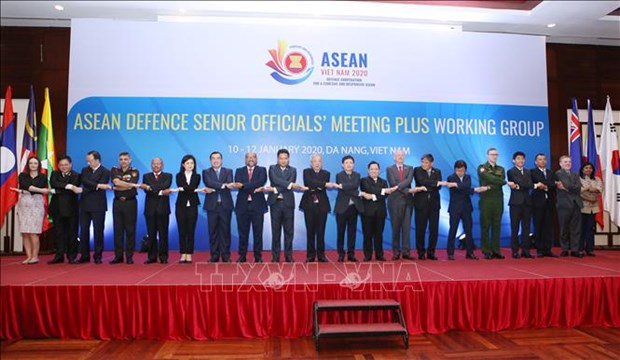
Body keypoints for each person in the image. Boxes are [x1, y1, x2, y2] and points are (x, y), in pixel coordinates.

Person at [10, 157, 49, 264]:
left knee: (33, 232)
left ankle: (35, 256)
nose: (33, 165)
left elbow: (30, 188)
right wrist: (41, 190)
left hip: (36, 204)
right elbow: (26, 186)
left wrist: (29, 189)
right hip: (24, 204)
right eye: (31, 163)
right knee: (25, 232)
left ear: (38, 165)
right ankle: (28, 256)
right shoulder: (22, 175)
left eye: (35, 163)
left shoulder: (43, 176)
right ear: (28, 165)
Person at [445, 160, 485, 260]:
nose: (460, 172)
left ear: (465, 170)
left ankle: (470, 252)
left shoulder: (468, 177)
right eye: (458, 170)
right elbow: (460, 190)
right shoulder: (451, 178)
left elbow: (466, 187)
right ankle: (450, 253)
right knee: (453, 230)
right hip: (455, 208)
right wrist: (473, 190)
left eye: (462, 170)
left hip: (466, 208)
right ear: (455, 170)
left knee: (468, 230)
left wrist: (456, 185)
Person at [267, 149, 302, 263]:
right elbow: (275, 179)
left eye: (285, 158)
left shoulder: (293, 170)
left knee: (289, 232)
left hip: (288, 204)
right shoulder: (272, 168)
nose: (283, 160)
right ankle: (275, 257)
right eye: (281, 158)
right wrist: (290, 184)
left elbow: (285, 183)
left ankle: (289, 256)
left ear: (288, 159)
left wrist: (275, 188)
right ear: (277, 159)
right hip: (275, 203)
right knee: (275, 231)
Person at [232, 152, 268, 263]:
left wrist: (244, 186)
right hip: (242, 206)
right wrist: (250, 186)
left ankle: (258, 256)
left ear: (256, 159)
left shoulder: (262, 170)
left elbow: (260, 182)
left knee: (258, 232)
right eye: (248, 157)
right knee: (242, 232)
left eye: (253, 157)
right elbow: (241, 184)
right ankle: (242, 255)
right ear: (245, 159)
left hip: (257, 206)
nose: (251, 159)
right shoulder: (239, 171)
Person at [78, 150, 111, 264]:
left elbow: (101, 184)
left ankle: (98, 255)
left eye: (90, 161)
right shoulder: (84, 170)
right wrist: (97, 185)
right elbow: (84, 181)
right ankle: (84, 255)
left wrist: (96, 186)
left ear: (97, 160)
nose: (88, 163)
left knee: (98, 231)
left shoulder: (105, 171)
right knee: (83, 231)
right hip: (84, 204)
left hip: (98, 205)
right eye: (87, 161)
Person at [48, 155, 82, 264]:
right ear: (58, 166)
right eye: (61, 165)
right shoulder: (54, 173)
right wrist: (69, 186)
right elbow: (53, 183)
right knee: (58, 233)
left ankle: (72, 256)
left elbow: (73, 188)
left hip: (71, 208)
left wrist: (57, 191)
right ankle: (59, 256)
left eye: (66, 165)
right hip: (57, 208)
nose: (63, 167)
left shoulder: (76, 175)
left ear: (70, 164)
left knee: (72, 233)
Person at [202, 152, 234, 263]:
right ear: (210, 160)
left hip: (225, 205)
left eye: (218, 158)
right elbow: (208, 182)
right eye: (213, 158)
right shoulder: (206, 172)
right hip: (212, 206)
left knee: (225, 231)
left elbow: (230, 183)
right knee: (213, 232)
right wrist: (223, 185)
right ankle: (214, 256)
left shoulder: (228, 171)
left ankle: (226, 256)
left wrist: (217, 186)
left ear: (222, 160)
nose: (216, 160)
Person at [300, 153, 332, 263]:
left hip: (322, 205)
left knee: (321, 231)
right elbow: (308, 182)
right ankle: (310, 255)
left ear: (321, 163)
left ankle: (321, 255)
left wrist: (315, 186)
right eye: (315, 161)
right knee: (310, 232)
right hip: (308, 204)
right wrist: (323, 184)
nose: (317, 163)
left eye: (319, 161)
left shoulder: (326, 173)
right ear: (311, 163)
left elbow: (315, 186)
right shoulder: (306, 171)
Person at [360, 161, 395, 262]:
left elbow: (386, 195)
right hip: (367, 212)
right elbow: (368, 188)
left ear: (379, 170)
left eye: (376, 169)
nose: (374, 171)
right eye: (371, 169)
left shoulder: (384, 181)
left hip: (380, 212)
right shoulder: (363, 180)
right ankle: (367, 255)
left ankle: (379, 255)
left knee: (379, 235)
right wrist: (383, 191)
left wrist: (373, 196)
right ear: (368, 170)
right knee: (367, 235)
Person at [110, 152, 140, 264]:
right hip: (117, 203)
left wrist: (118, 186)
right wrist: (126, 185)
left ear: (130, 160)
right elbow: (116, 183)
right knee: (118, 230)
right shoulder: (114, 170)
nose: (123, 161)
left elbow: (123, 185)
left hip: (130, 203)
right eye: (121, 159)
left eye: (125, 159)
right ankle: (118, 256)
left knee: (130, 230)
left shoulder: (134, 171)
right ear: (119, 160)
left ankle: (129, 256)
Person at [141, 157, 172, 264]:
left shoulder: (168, 176)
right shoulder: (146, 176)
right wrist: (160, 191)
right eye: (154, 164)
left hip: (163, 210)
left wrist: (151, 187)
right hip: (150, 210)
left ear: (162, 165)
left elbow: (165, 185)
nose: (156, 166)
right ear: (151, 165)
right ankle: (151, 257)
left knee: (163, 234)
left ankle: (163, 257)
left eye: (158, 164)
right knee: (151, 234)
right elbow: (147, 191)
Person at [412, 153, 444, 260]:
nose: (423, 164)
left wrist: (431, 185)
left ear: (432, 163)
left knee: (433, 229)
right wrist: (435, 183)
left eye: (426, 162)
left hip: (434, 204)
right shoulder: (417, 170)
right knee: (420, 229)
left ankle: (431, 252)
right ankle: (421, 252)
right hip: (421, 204)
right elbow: (421, 181)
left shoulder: (437, 171)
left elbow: (438, 187)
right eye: (422, 162)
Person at [334, 155, 365, 262]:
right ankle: (341, 253)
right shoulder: (339, 175)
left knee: (352, 232)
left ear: (353, 164)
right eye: (346, 163)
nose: (349, 164)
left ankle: (351, 254)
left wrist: (343, 186)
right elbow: (348, 188)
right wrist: (357, 192)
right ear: (342, 165)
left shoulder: (357, 175)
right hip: (342, 207)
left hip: (354, 207)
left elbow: (354, 185)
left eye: (351, 162)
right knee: (340, 231)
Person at [477, 147, 506, 260]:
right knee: (485, 225)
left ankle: (496, 250)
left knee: (496, 225)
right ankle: (486, 250)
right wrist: (501, 182)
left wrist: (489, 186)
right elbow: (494, 179)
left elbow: (500, 181)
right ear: (487, 155)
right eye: (492, 154)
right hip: (486, 200)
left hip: (498, 200)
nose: (494, 156)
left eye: (496, 154)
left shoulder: (501, 169)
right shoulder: (482, 168)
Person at [386, 150, 414, 260]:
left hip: (408, 202)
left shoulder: (410, 168)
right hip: (394, 202)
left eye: (402, 155)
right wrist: (407, 190)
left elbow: (408, 180)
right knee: (396, 227)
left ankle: (406, 252)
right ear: (394, 157)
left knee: (406, 228)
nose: (400, 157)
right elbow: (392, 183)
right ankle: (396, 252)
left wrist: (398, 187)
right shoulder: (390, 169)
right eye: (398, 155)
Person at [554, 155, 583, 258]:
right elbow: (568, 185)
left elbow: (578, 188)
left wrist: (567, 188)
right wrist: (570, 187)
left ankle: (575, 249)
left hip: (576, 204)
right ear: (560, 164)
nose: (568, 164)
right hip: (564, 205)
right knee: (564, 228)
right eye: (565, 162)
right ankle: (565, 249)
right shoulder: (558, 174)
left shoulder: (575, 174)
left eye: (569, 162)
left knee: (576, 228)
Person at [507, 151, 534, 259]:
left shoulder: (528, 172)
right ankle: (514, 251)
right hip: (515, 203)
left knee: (526, 227)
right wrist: (526, 185)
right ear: (514, 160)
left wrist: (520, 186)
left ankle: (526, 251)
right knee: (515, 227)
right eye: (518, 159)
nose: (520, 160)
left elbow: (528, 184)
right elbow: (525, 183)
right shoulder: (510, 171)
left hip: (527, 203)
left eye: (522, 158)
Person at [530, 154, 558, 258]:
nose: (542, 161)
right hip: (537, 203)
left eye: (544, 159)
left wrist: (546, 185)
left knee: (548, 226)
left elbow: (554, 184)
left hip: (549, 202)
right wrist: (548, 184)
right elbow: (536, 181)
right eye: (540, 159)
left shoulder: (551, 172)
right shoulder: (532, 172)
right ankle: (540, 249)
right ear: (536, 162)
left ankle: (548, 249)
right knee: (538, 226)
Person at [175, 154, 201, 264]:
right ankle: (183, 254)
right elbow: (189, 188)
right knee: (182, 231)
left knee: (191, 230)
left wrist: (183, 188)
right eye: (187, 163)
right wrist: (189, 188)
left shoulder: (197, 176)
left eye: (192, 163)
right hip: (180, 205)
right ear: (183, 165)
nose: (190, 165)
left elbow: (192, 187)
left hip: (193, 205)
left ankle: (189, 254)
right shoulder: (178, 175)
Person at [579, 161, 602, 257]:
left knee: (590, 229)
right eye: (586, 168)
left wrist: (588, 188)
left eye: (590, 168)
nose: (588, 170)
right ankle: (579, 249)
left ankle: (590, 249)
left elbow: (599, 189)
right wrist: (590, 191)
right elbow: (579, 192)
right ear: (582, 170)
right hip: (582, 207)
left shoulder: (597, 179)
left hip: (594, 207)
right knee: (581, 229)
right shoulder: (579, 179)